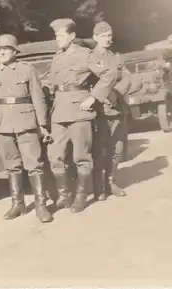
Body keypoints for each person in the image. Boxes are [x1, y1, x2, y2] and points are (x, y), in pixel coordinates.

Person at [47, 18, 116, 213]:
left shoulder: (86, 54)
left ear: (72, 36)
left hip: (80, 110)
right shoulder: (57, 57)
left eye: (60, 36)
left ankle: (81, 196)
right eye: (56, 36)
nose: (57, 40)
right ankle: (64, 196)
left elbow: (109, 74)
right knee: (55, 156)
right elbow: (52, 82)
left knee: (81, 156)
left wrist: (94, 97)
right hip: (59, 111)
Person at [0, 34, 53, 223]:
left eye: (6, 49)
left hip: (26, 122)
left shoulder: (27, 70)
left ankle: (41, 205)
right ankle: (17, 204)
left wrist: (42, 125)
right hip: (2, 124)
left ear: (15, 51)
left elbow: (38, 98)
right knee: (11, 166)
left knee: (34, 165)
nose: (2, 52)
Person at [89, 21, 130, 201]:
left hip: (117, 107)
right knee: (101, 149)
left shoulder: (117, 58)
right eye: (103, 36)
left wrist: (115, 94)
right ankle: (99, 187)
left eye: (109, 35)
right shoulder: (91, 58)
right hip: (101, 110)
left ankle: (111, 182)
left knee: (117, 148)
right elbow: (93, 83)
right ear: (95, 37)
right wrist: (104, 96)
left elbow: (129, 79)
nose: (107, 39)